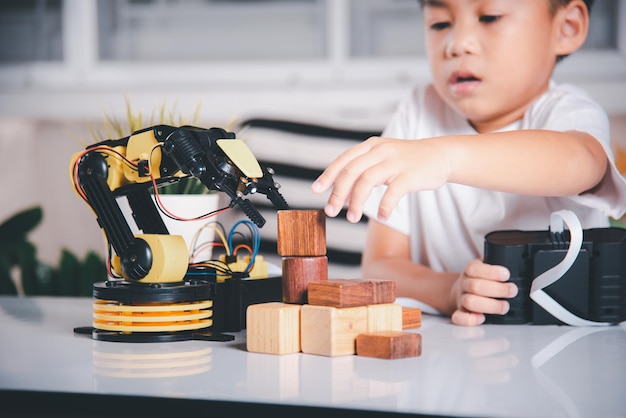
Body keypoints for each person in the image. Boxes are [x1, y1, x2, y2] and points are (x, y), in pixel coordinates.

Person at [311, 0, 626, 326]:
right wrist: (449, 290)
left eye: (490, 17)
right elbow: (380, 266)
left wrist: (444, 157)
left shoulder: (569, 113)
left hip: (568, 346)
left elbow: (581, 163)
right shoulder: (419, 112)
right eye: (440, 23)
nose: (457, 44)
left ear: (567, 28)